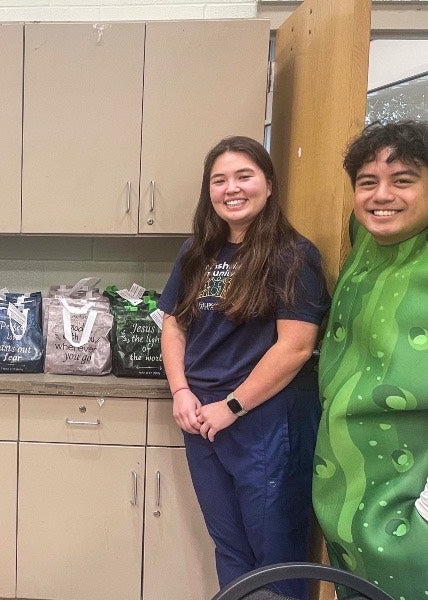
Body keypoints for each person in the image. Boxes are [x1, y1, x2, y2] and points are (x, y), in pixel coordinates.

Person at [159, 136, 331, 599]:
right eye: (220, 180)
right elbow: (173, 325)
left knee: (276, 554)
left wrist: (232, 406)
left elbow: (295, 347)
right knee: (230, 546)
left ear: (269, 185)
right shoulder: (197, 251)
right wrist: (181, 392)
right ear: (208, 191)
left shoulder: (293, 254)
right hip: (202, 421)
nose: (231, 189)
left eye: (244, 176)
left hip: (265, 422)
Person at [314, 120, 428, 599]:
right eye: (367, 182)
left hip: (409, 501)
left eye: (403, 180)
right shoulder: (365, 241)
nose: (382, 195)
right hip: (346, 495)